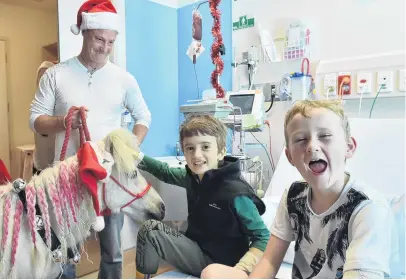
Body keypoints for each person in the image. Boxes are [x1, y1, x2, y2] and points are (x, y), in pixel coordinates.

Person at [29, 0, 152, 278]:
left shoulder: (124, 79)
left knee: (113, 251)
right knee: (65, 252)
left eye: (111, 41)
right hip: (67, 181)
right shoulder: (56, 75)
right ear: (84, 33)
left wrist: (128, 150)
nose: (106, 48)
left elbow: (143, 117)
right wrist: (62, 122)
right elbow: (35, 119)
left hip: (107, 180)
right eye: (100, 39)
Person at [249, 100, 395, 279]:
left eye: (325, 136)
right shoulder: (293, 196)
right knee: (214, 272)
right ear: (289, 156)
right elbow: (269, 262)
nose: (312, 146)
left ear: (348, 147)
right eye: (301, 139)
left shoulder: (368, 208)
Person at [135, 115, 270, 279]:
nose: (197, 155)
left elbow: (263, 236)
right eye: (190, 148)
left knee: (151, 229)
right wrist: (133, 154)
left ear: (221, 152)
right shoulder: (192, 177)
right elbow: (164, 171)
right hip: (199, 251)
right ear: (183, 152)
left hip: (226, 265)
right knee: (149, 231)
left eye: (205, 147)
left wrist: (241, 270)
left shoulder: (235, 193)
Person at [33, 61, 57, 175]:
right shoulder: (38, 103)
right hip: (41, 166)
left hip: (55, 167)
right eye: (41, 77)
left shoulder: (60, 104)